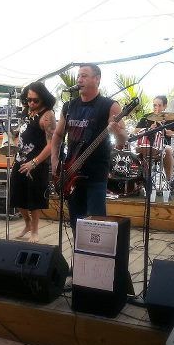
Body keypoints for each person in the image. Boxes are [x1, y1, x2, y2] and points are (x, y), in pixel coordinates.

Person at [51, 64, 127, 229]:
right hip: (71, 173)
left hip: (95, 175)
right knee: (76, 224)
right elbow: (57, 135)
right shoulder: (69, 106)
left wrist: (117, 130)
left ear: (97, 79)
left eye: (84, 76)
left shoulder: (109, 105)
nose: (79, 80)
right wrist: (54, 160)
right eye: (78, 76)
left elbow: (122, 140)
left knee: (96, 226)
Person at [10, 82, 56, 243]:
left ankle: (35, 231)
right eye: (28, 99)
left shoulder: (47, 115)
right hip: (20, 160)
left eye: (35, 100)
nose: (31, 103)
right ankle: (27, 224)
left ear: (43, 98)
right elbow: (20, 133)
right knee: (16, 195)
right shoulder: (26, 111)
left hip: (37, 162)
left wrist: (34, 163)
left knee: (34, 199)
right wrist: (13, 141)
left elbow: (52, 144)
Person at [133, 95, 174, 190]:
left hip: (163, 148)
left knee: (168, 150)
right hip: (146, 146)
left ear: (165, 106)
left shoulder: (171, 119)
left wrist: (171, 133)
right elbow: (136, 131)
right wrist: (148, 128)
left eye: (159, 105)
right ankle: (141, 181)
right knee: (136, 151)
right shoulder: (146, 117)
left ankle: (169, 181)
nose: (156, 108)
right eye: (154, 105)